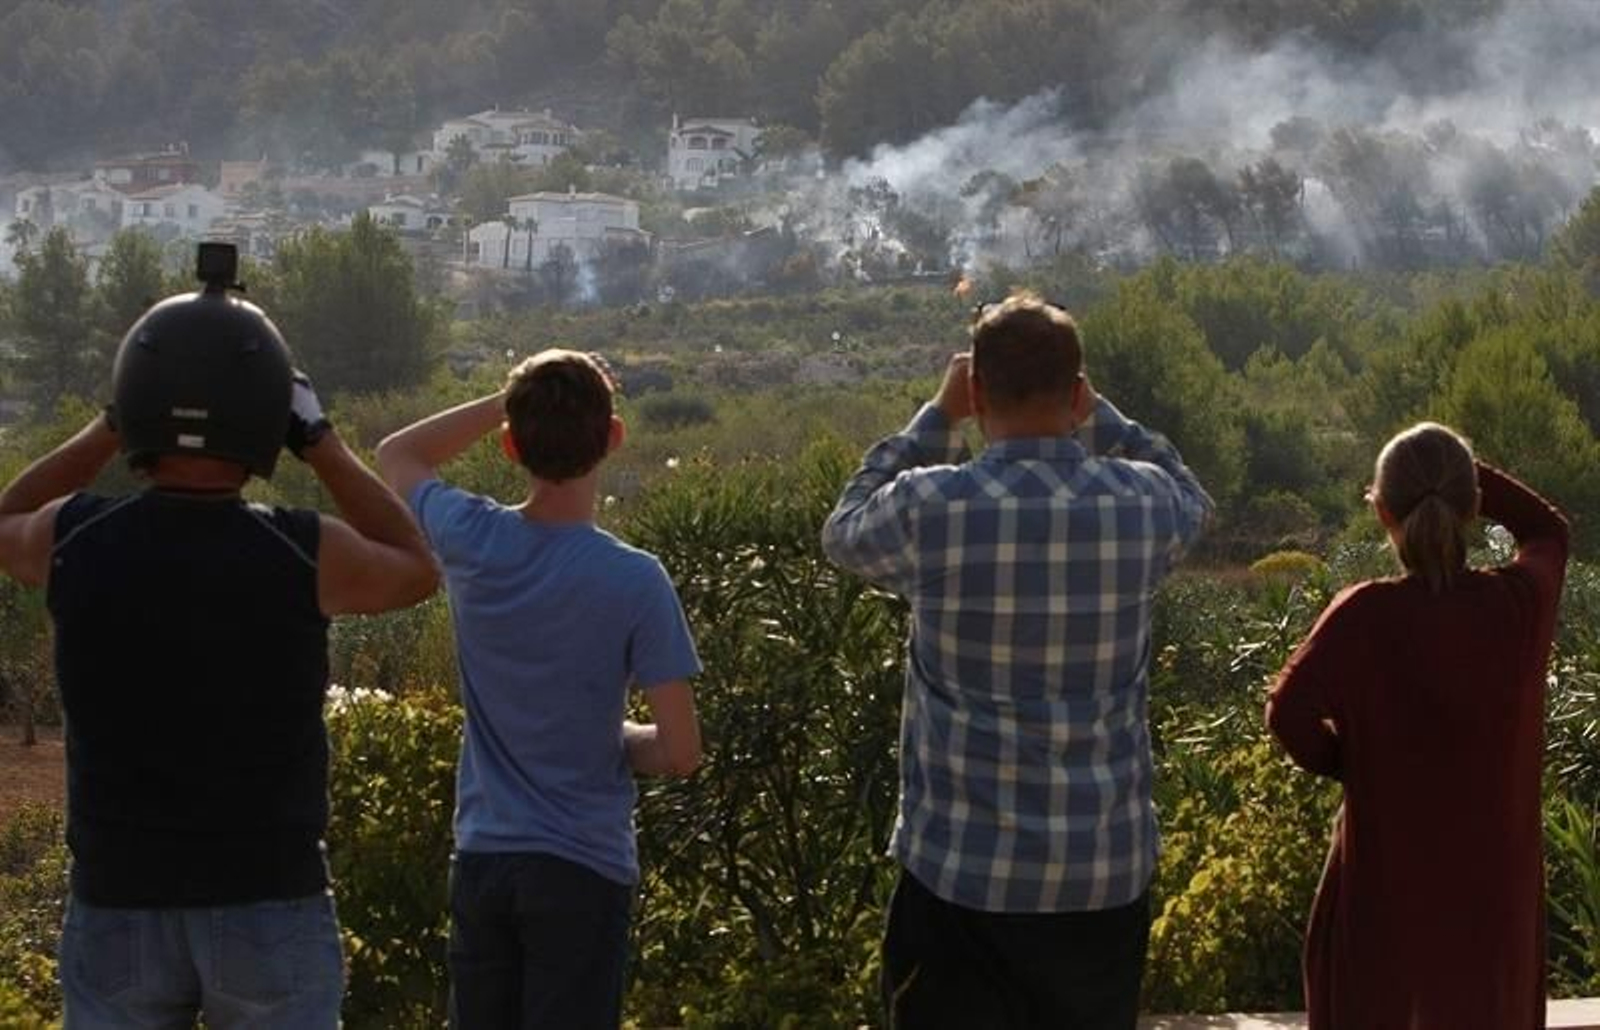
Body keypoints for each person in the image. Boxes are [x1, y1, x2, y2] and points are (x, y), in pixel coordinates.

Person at [0, 247, 439, 1029]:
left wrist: (109, 425)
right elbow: (415, 567)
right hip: (268, 895)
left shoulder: (75, 541)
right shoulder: (305, 552)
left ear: (137, 407)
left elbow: (4, 518)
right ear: (266, 417)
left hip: (117, 899)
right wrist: (320, 440)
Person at [820, 292, 1214, 1029]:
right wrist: (1109, 421)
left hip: (959, 877)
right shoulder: (1142, 505)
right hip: (1101, 873)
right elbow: (1194, 494)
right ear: (1075, 393)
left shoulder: (931, 508)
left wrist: (933, 421)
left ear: (976, 392)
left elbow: (843, 530)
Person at [375, 348, 702, 1029]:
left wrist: (515, 397)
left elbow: (398, 452)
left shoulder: (472, 538)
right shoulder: (636, 581)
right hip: (583, 869)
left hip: (485, 859)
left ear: (508, 445)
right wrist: (609, 739)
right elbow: (680, 752)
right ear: (613, 437)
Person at [1266, 422, 1569, 1029]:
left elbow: (1288, 711)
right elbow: (1547, 530)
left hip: (1384, 918)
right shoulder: (1517, 607)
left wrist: (1352, 761)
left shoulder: (1363, 615)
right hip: (1492, 928)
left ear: (1381, 513)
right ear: (1474, 509)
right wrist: (1460, 473)